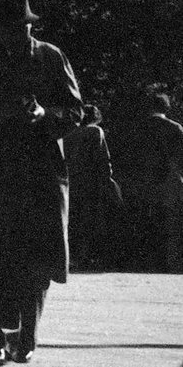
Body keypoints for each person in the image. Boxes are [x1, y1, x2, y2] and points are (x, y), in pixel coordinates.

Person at [0, 0, 84, 364]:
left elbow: (76, 112)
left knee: (39, 262)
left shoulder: (51, 57)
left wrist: (45, 116)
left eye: (17, 28)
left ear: (27, 27)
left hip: (42, 174)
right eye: (3, 28)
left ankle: (26, 338)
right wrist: (0, 118)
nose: (10, 35)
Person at [67, 103, 124, 271]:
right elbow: (103, 158)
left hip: (73, 181)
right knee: (91, 219)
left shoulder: (70, 133)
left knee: (75, 219)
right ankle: (89, 257)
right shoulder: (95, 132)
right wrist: (108, 179)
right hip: (91, 182)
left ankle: (75, 256)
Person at [149, 86, 183, 271]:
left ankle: (147, 261)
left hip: (144, 180)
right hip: (169, 180)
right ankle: (171, 262)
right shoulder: (175, 128)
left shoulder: (138, 128)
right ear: (167, 107)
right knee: (171, 223)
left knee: (148, 221)